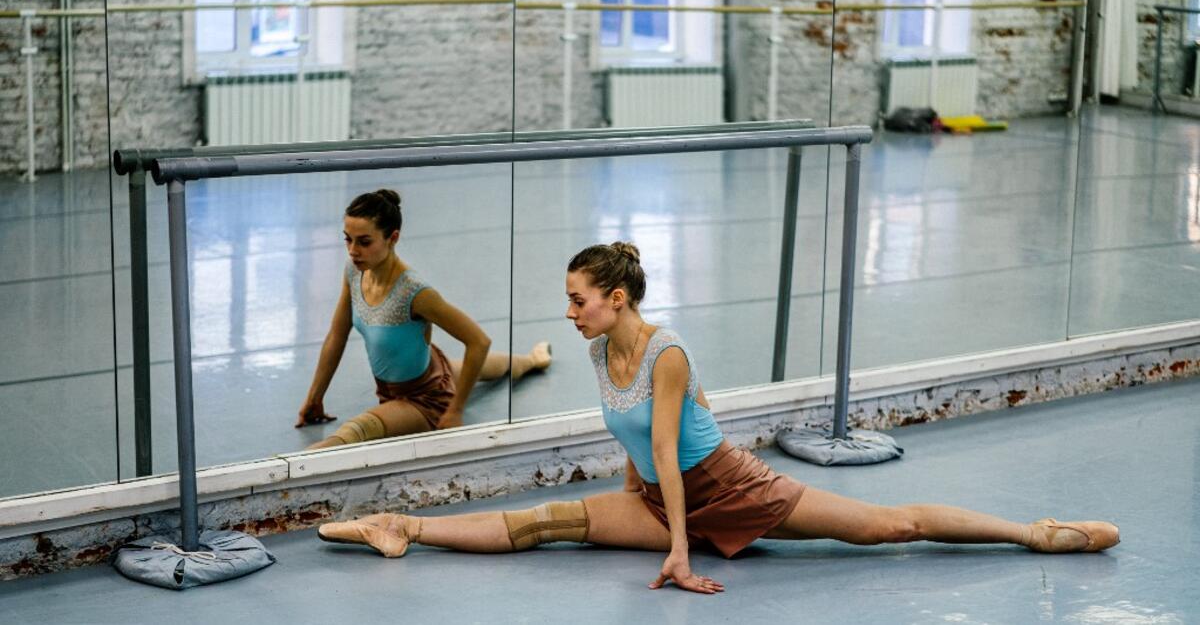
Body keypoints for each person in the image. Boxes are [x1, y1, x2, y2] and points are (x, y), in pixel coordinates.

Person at [316, 241, 1120, 593]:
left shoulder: (666, 351)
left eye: (577, 298)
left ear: (616, 298)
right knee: (545, 520)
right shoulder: (601, 348)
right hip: (660, 494)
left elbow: (670, 447)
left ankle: (1033, 531)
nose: (568, 312)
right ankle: (402, 526)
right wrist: (640, 503)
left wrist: (674, 550)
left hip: (728, 488)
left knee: (888, 527)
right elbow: (638, 446)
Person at [295, 189, 552, 450]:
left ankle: (532, 361)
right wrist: (314, 397)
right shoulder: (354, 272)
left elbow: (479, 341)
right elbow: (336, 336)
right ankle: (532, 359)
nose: (353, 250)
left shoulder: (414, 293)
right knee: (497, 366)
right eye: (347, 240)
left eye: (364, 242)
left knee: (358, 430)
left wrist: (455, 411)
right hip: (430, 369)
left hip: (424, 400)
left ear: (392, 238)